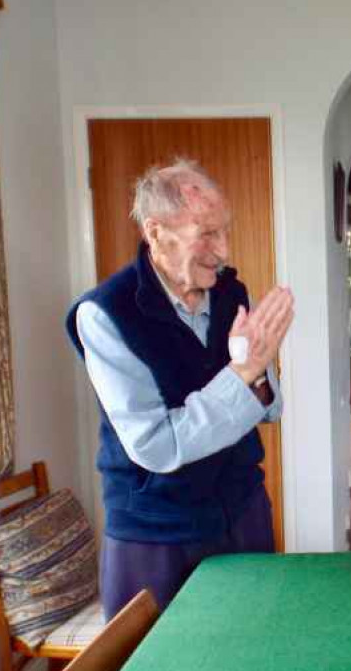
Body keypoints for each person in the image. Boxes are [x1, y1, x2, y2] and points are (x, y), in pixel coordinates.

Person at [66, 159, 294, 619]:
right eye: (207, 233)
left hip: (243, 512)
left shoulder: (231, 293)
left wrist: (259, 377)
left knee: (253, 652)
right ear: (156, 231)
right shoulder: (104, 315)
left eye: (225, 231)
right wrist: (243, 372)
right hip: (157, 532)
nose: (224, 249)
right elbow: (157, 445)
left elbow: (267, 407)